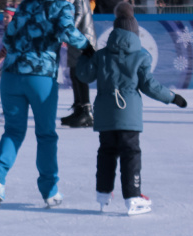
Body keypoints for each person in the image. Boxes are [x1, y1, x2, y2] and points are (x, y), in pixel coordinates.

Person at [76, 1, 187, 216]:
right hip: (129, 116)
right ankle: (133, 196)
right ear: (135, 32)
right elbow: (150, 87)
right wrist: (173, 98)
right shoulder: (141, 56)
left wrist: (85, 56)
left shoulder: (102, 54)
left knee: (106, 152)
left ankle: (103, 193)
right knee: (130, 154)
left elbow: (84, 75)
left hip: (105, 115)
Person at [0, 0, 89, 208]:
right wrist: (89, 48)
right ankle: (49, 191)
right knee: (46, 134)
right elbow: (68, 31)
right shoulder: (61, 5)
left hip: (11, 75)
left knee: (13, 131)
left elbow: (9, 35)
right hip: (40, 77)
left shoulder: (26, 4)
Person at [59, 0, 97, 128]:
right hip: (75, 38)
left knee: (79, 74)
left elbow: (79, 14)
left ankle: (87, 111)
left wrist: (68, 31)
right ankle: (78, 108)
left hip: (82, 39)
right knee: (73, 73)